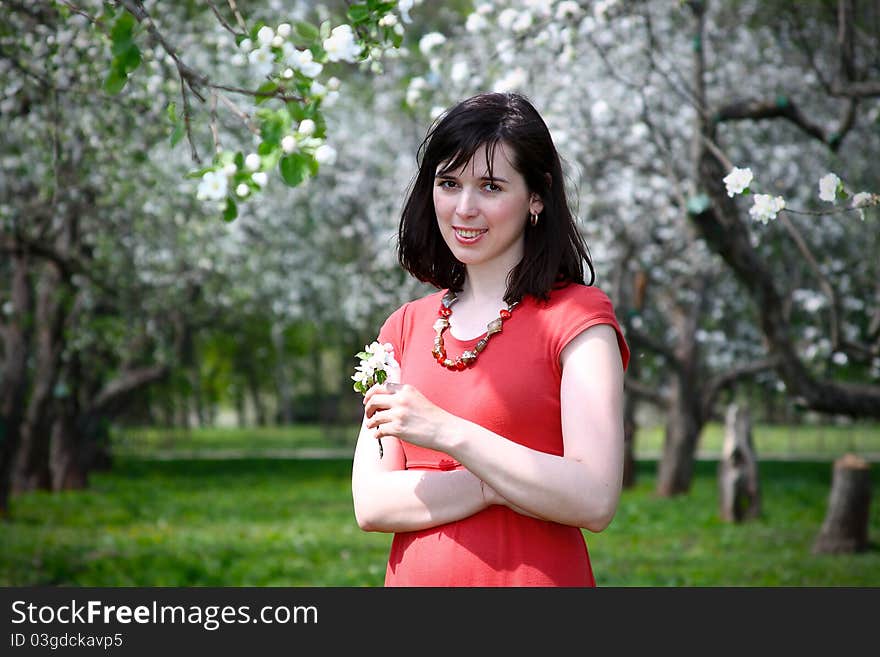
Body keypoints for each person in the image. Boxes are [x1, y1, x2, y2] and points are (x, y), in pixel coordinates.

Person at [351, 91, 630, 586]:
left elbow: (594, 497)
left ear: (537, 196)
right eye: (449, 183)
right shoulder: (404, 327)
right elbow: (372, 503)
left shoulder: (579, 320)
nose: (464, 208)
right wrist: (493, 485)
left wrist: (447, 434)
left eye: (491, 186)